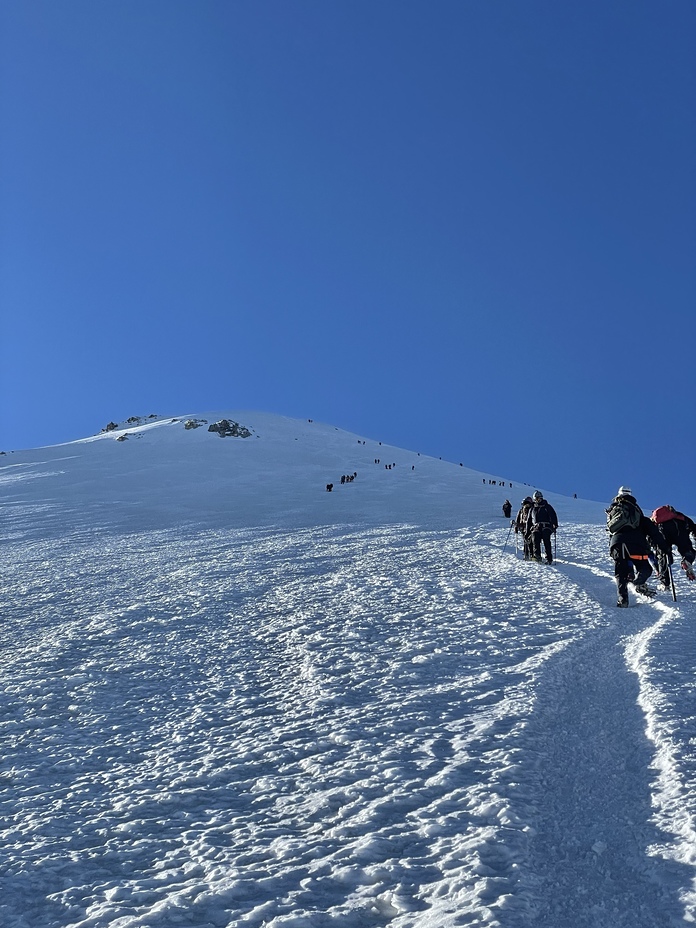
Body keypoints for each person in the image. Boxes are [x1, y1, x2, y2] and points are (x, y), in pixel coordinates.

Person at [606, 487, 668, 607]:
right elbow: (653, 532)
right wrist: (664, 547)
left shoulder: (613, 510)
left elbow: (610, 529)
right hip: (636, 545)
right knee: (645, 568)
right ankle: (638, 583)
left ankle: (623, 599)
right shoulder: (637, 512)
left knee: (620, 572)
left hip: (617, 544)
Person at [650, 505, 696, 585]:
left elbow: (650, 533)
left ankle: (665, 582)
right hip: (679, 529)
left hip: (663, 531)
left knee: (663, 555)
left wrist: (654, 545)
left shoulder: (654, 519)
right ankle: (687, 560)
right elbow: (692, 526)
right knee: (687, 549)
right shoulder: (677, 514)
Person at [526, 490, 558, 564]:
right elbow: (529, 521)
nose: (538, 500)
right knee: (535, 538)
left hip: (546, 526)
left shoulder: (547, 506)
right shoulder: (532, 508)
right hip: (536, 527)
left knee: (546, 539)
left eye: (539, 498)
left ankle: (549, 558)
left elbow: (553, 515)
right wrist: (527, 532)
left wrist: (554, 524)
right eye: (536, 499)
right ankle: (537, 556)